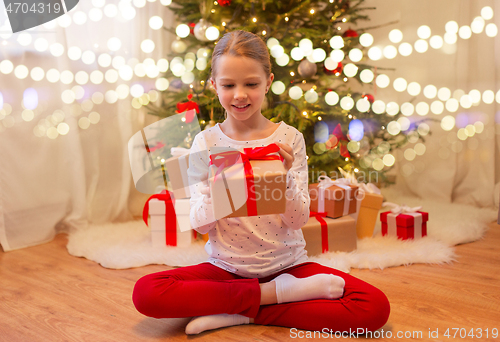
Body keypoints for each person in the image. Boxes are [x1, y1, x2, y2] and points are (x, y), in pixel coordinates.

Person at [133, 30, 390, 335]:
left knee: (373, 307)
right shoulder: (206, 142)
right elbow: (200, 225)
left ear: (268, 82)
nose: (239, 94)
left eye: (251, 84)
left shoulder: (289, 138)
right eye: (228, 85)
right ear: (214, 85)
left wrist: (285, 178)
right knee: (147, 291)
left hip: (289, 267)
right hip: (225, 271)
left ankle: (241, 313)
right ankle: (271, 298)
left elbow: (298, 219)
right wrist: (220, 189)